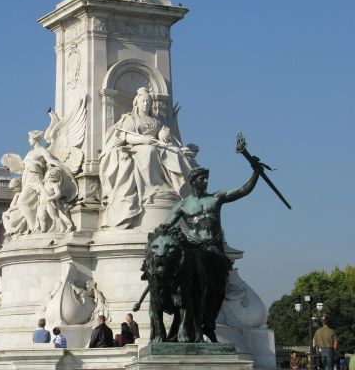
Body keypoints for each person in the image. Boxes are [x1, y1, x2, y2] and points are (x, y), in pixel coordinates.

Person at [162, 164, 260, 341]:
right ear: (193, 181)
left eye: (207, 178)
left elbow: (242, 191)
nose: (206, 181)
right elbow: (166, 226)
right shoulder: (183, 205)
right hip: (195, 248)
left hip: (214, 251)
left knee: (218, 291)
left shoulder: (216, 198)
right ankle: (192, 321)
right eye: (202, 178)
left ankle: (208, 323)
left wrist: (256, 173)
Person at [99, 87, 192, 227]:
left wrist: (164, 136)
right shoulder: (131, 118)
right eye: (143, 101)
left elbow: (164, 134)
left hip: (157, 145)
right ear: (137, 103)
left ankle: (184, 190)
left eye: (148, 102)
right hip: (138, 147)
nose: (146, 104)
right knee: (149, 151)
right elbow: (126, 135)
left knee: (175, 152)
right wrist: (143, 140)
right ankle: (153, 187)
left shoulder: (156, 119)